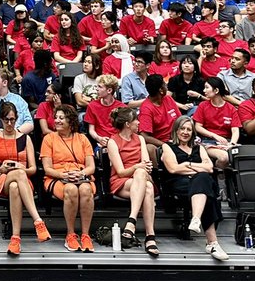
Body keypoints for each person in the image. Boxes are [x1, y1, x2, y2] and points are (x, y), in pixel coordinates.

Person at [161, 115, 228, 261]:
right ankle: (212, 243)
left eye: (189, 129)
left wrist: (186, 165)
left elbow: (210, 168)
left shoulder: (199, 148)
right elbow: (173, 169)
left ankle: (196, 219)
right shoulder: (168, 146)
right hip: (179, 184)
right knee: (206, 189)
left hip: (198, 184)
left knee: (203, 180)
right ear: (176, 130)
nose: (185, 132)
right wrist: (198, 168)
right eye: (182, 129)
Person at [0, 100, 50, 256]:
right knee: (17, 176)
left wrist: (22, 168)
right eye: (6, 120)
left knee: (16, 185)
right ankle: (38, 221)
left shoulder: (25, 138)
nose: (9, 123)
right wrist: (0, 169)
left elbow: (33, 169)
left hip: (22, 182)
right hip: (1, 179)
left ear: (16, 119)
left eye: (12, 119)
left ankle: (15, 239)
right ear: (1, 120)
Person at [39, 104, 95, 253]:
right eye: (56, 117)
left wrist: (81, 174)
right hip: (57, 177)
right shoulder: (49, 139)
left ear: (70, 121)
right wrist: (63, 175)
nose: (56, 121)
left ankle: (85, 235)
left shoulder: (82, 138)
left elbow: (91, 166)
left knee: (86, 189)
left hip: (80, 176)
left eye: (61, 118)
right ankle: (70, 234)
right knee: (70, 189)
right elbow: (47, 168)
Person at [107, 106, 159, 257]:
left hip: (140, 179)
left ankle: (132, 221)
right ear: (127, 124)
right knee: (147, 187)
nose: (138, 122)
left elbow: (146, 165)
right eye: (136, 119)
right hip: (122, 181)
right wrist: (138, 166)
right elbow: (121, 171)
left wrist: (142, 167)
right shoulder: (113, 142)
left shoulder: (140, 139)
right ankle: (150, 237)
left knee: (143, 178)